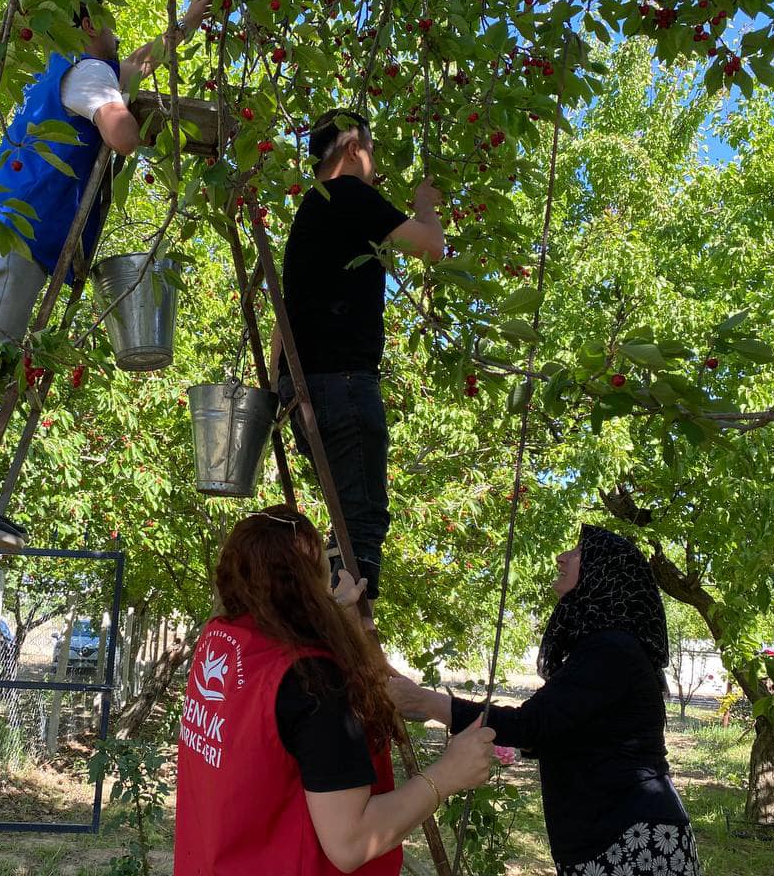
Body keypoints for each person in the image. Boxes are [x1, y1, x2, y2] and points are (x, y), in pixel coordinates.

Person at [0, 0, 214, 547]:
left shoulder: (74, 75)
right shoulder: (86, 71)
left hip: (5, 229)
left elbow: (141, 63)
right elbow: (121, 134)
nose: (118, 32)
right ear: (85, 26)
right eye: (110, 21)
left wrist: (187, 25)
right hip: (14, 231)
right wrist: (165, 134)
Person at [174, 505, 496, 875]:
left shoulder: (222, 638)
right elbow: (351, 841)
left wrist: (338, 621)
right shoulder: (312, 680)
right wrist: (447, 774)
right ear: (308, 584)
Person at [388, 525, 702, 876]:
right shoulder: (606, 648)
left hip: (633, 841)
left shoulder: (613, 650)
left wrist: (424, 702)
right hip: (618, 836)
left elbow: (530, 726)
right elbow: (553, 728)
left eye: (579, 551)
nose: (562, 557)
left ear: (605, 574)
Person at [272, 110, 445, 602]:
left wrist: (276, 380)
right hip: (343, 383)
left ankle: (336, 613)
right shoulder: (348, 194)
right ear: (352, 148)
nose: (374, 165)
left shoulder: (312, 208)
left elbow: (283, 315)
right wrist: (424, 206)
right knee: (362, 523)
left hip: (303, 386)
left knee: (347, 518)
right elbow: (432, 246)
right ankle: (349, 646)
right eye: (371, 151)